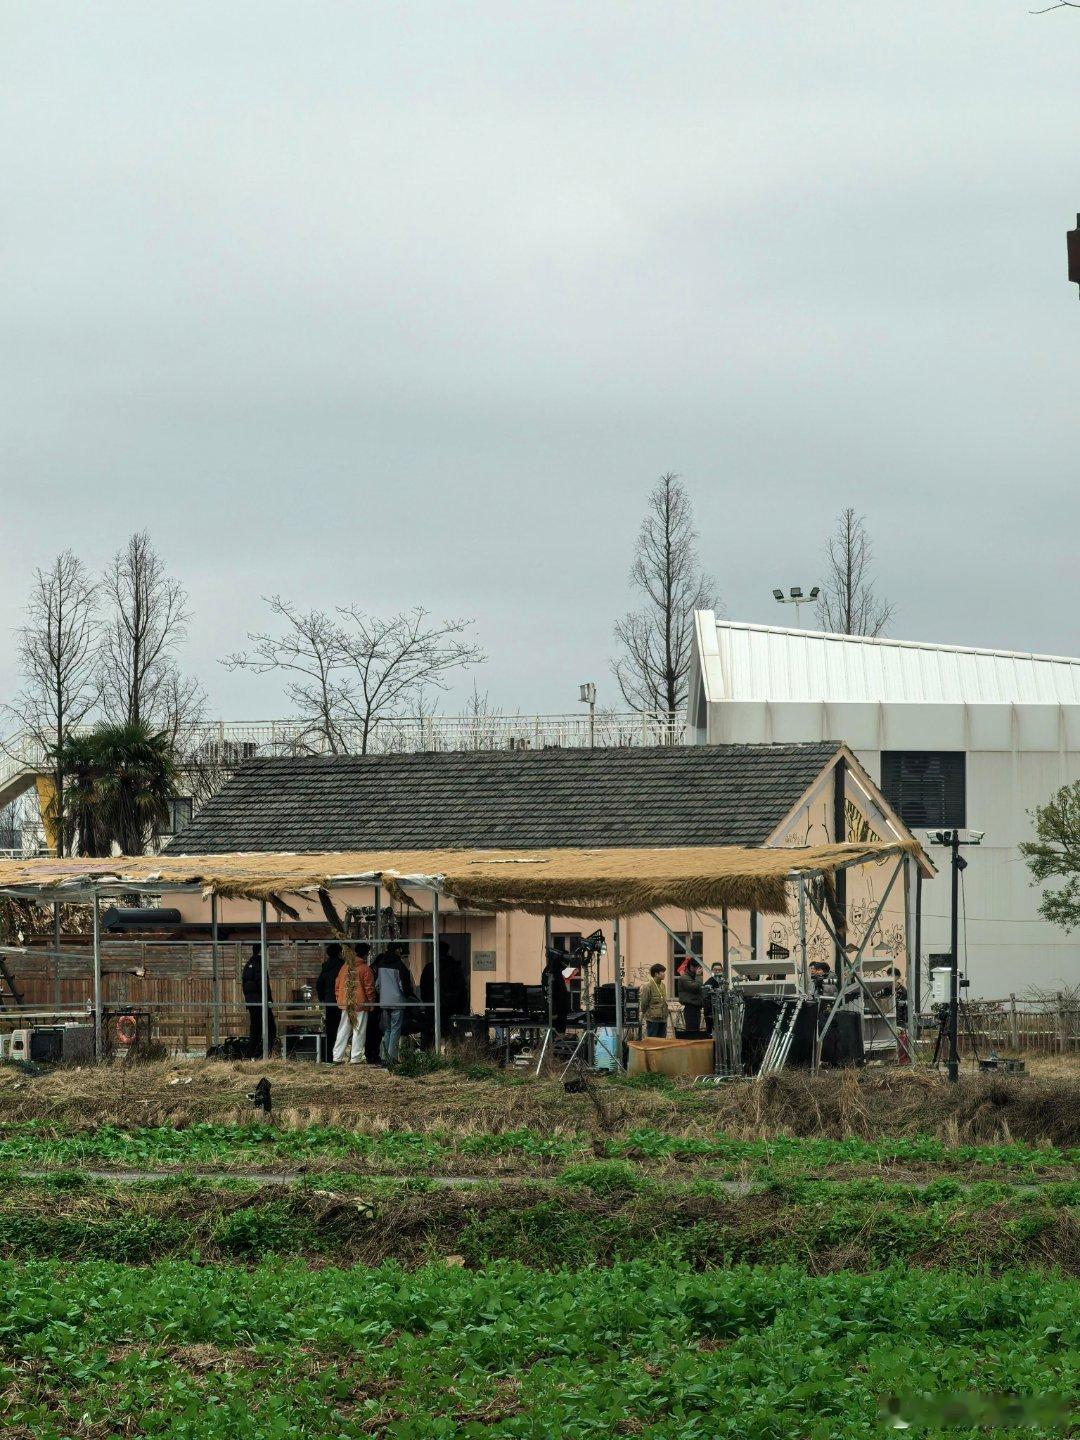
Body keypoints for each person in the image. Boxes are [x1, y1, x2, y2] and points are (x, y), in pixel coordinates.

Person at [419, 941, 470, 1048]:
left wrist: (427, 1003)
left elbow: (423, 988)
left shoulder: (429, 968)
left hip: (432, 1008)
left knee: (430, 1036)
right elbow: (462, 989)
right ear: (448, 952)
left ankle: (428, 1055)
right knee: (452, 1036)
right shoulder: (454, 968)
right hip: (452, 1009)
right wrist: (463, 1009)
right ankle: (451, 1054)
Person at [333, 942, 376, 1063]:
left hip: (345, 1004)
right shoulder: (365, 969)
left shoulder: (344, 967)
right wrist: (371, 1003)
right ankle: (356, 1058)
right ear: (366, 954)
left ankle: (337, 1057)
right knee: (359, 1030)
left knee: (343, 1030)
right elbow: (369, 988)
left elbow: (337, 985)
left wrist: (339, 999)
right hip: (360, 1004)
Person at [373, 943, 416, 1062]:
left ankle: (384, 1057)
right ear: (397, 950)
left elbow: (377, 985)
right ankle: (391, 1058)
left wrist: (383, 995)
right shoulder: (400, 965)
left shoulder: (381, 965)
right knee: (395, 1029)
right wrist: (407, 996)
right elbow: (404, 986)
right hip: (397, 1002)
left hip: (384, 1002)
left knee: (387, 1030)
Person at [241, 943, 277, 1058]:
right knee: (271, 1028)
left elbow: (244, 986)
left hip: (251, 1003)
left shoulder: (247, 965)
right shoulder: (260, 965)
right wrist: (269, 1000)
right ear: (261, 951)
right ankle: (268, 1053)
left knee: (255, 1028)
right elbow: (263, 985)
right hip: (261, 1003)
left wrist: (249, 1000)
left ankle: (251, 1053)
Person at [315, 942, 346, 1064]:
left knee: (330, 1029)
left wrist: (322, 997)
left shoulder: (325, 966)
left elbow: (319, 984)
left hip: (329, 1001)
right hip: (342, 1000)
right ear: (339, 952)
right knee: (342, 1028)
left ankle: (329, 1056)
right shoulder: (343, 965)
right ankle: (338, 1056)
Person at [541, 951, 571, 1033]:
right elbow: (549, 992)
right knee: (557, 1033)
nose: (566, 966)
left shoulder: (556, 970)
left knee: (559, 1033)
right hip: (556, 1011)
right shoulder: (552, 971)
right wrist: (553, 1011)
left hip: (560, 1010)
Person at [676, 959, 706, 1034]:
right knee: (691, 1030)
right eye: (697, 967)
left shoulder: (694, 977)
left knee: (696, 1030)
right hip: (690, 1007)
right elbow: (695, 987)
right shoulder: (684, 978)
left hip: (696, 1007)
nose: (698, 970)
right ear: (691, 967)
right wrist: (698, 975)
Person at [639, 963, 669, 1038]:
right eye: (662, 972)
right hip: (652, 1019)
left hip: (663, 1018)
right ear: (656, 974)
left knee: (662, 1040)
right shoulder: (647, 986)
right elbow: (644, 1003)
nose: (664, 974)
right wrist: (647, 1014)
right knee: (652, 1039)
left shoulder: (663, 985)